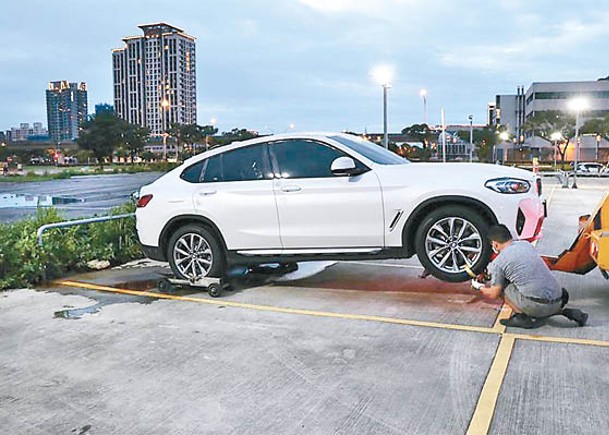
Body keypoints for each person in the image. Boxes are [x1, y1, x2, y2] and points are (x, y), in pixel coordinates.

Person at [474, 224, 588, 329]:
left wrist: (478, 286)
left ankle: (521, 317)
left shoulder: (498, 263)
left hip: (538, 307)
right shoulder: (526, 245)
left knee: (502, 286)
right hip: (559, 299)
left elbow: (493, 294)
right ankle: (566, 312)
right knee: (535, 286)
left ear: (495, 244)